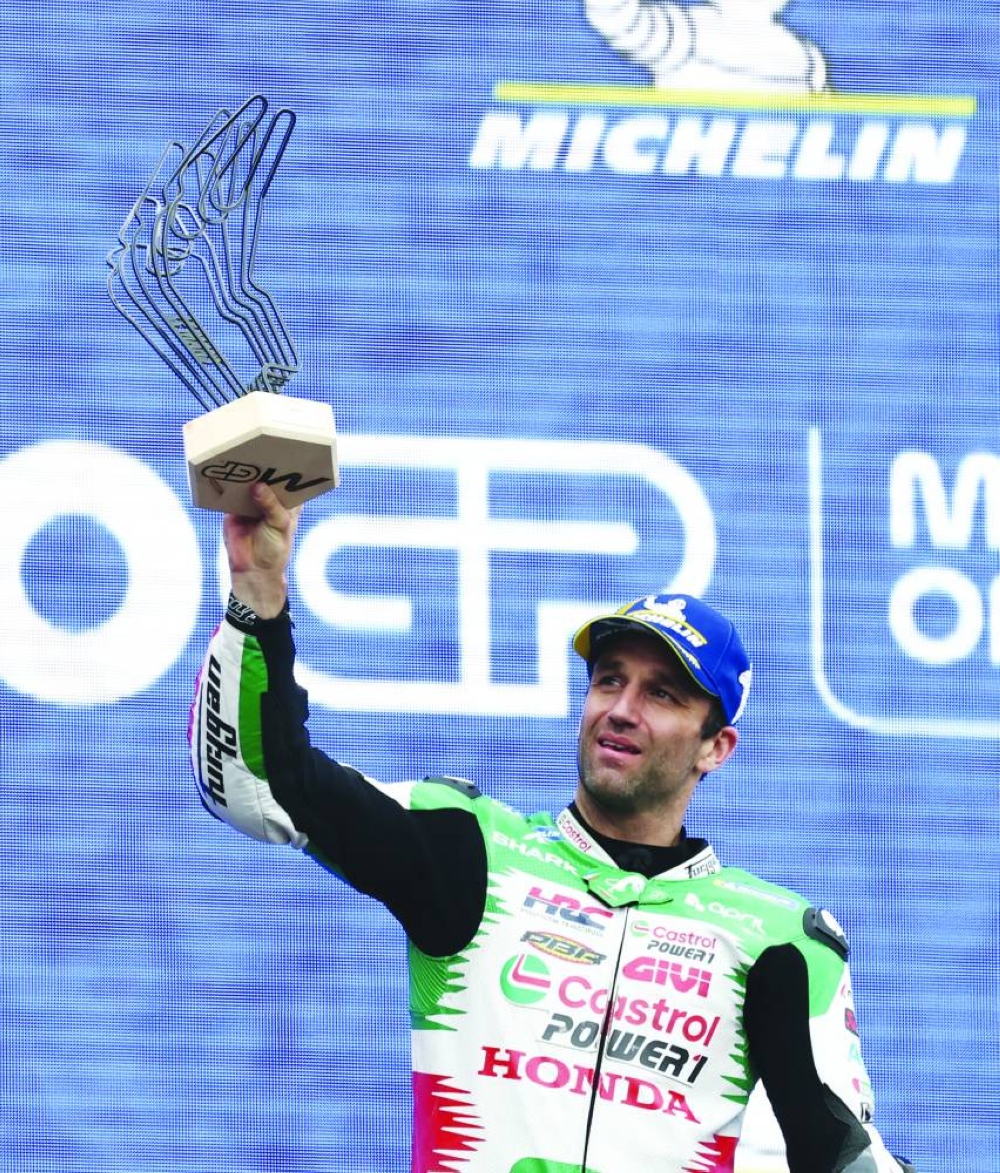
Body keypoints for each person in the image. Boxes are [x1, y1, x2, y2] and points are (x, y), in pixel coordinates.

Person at [190, 482, 916, 1173]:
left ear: (714, 747)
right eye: (609, 679)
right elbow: (257, 782)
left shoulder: (779, 941)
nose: (621, 708)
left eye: (661, 692)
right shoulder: (473, 850)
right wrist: (258, 593)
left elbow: (843, 1152)